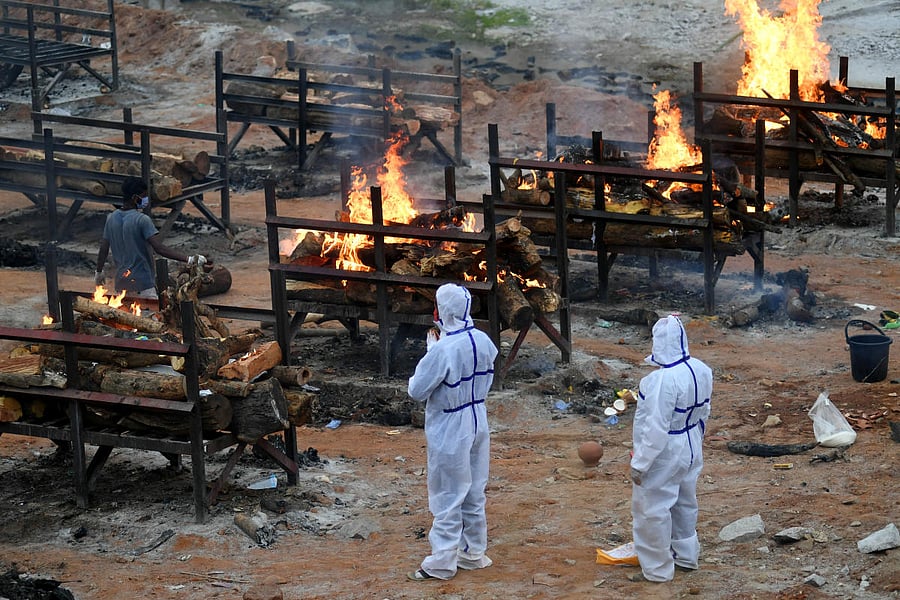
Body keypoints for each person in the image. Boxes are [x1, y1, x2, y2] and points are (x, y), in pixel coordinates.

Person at [406, 283, 498, 582]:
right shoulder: (483, 339)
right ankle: (473, 552)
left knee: (448, 491)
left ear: (441, 311)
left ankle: (442, 562)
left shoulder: (443, 349)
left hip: (450, 423)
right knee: (474, 489)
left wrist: (430, 353)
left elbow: (417, 391)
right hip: (477, 416)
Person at [629, 314, 712, 583]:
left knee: (651, 508)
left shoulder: (659, 381)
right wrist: (698, 439)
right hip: (691, 441)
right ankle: (687, 556)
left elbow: (654, 427)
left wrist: (640, 463)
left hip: (667, 448)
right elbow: (705, 411)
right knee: (685, 501)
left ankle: (657, 570)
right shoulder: (702, 368)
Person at [95, 176, 210, 298]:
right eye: (144, 196)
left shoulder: (111, 218)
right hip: (142, 283)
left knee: (126, 314)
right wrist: (190, 259)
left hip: (122, 283)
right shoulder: (142, 220)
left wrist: (98, 271)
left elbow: (104, 248)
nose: (146, 199)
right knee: (150, 315)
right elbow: (159, 248)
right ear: (135, 198)